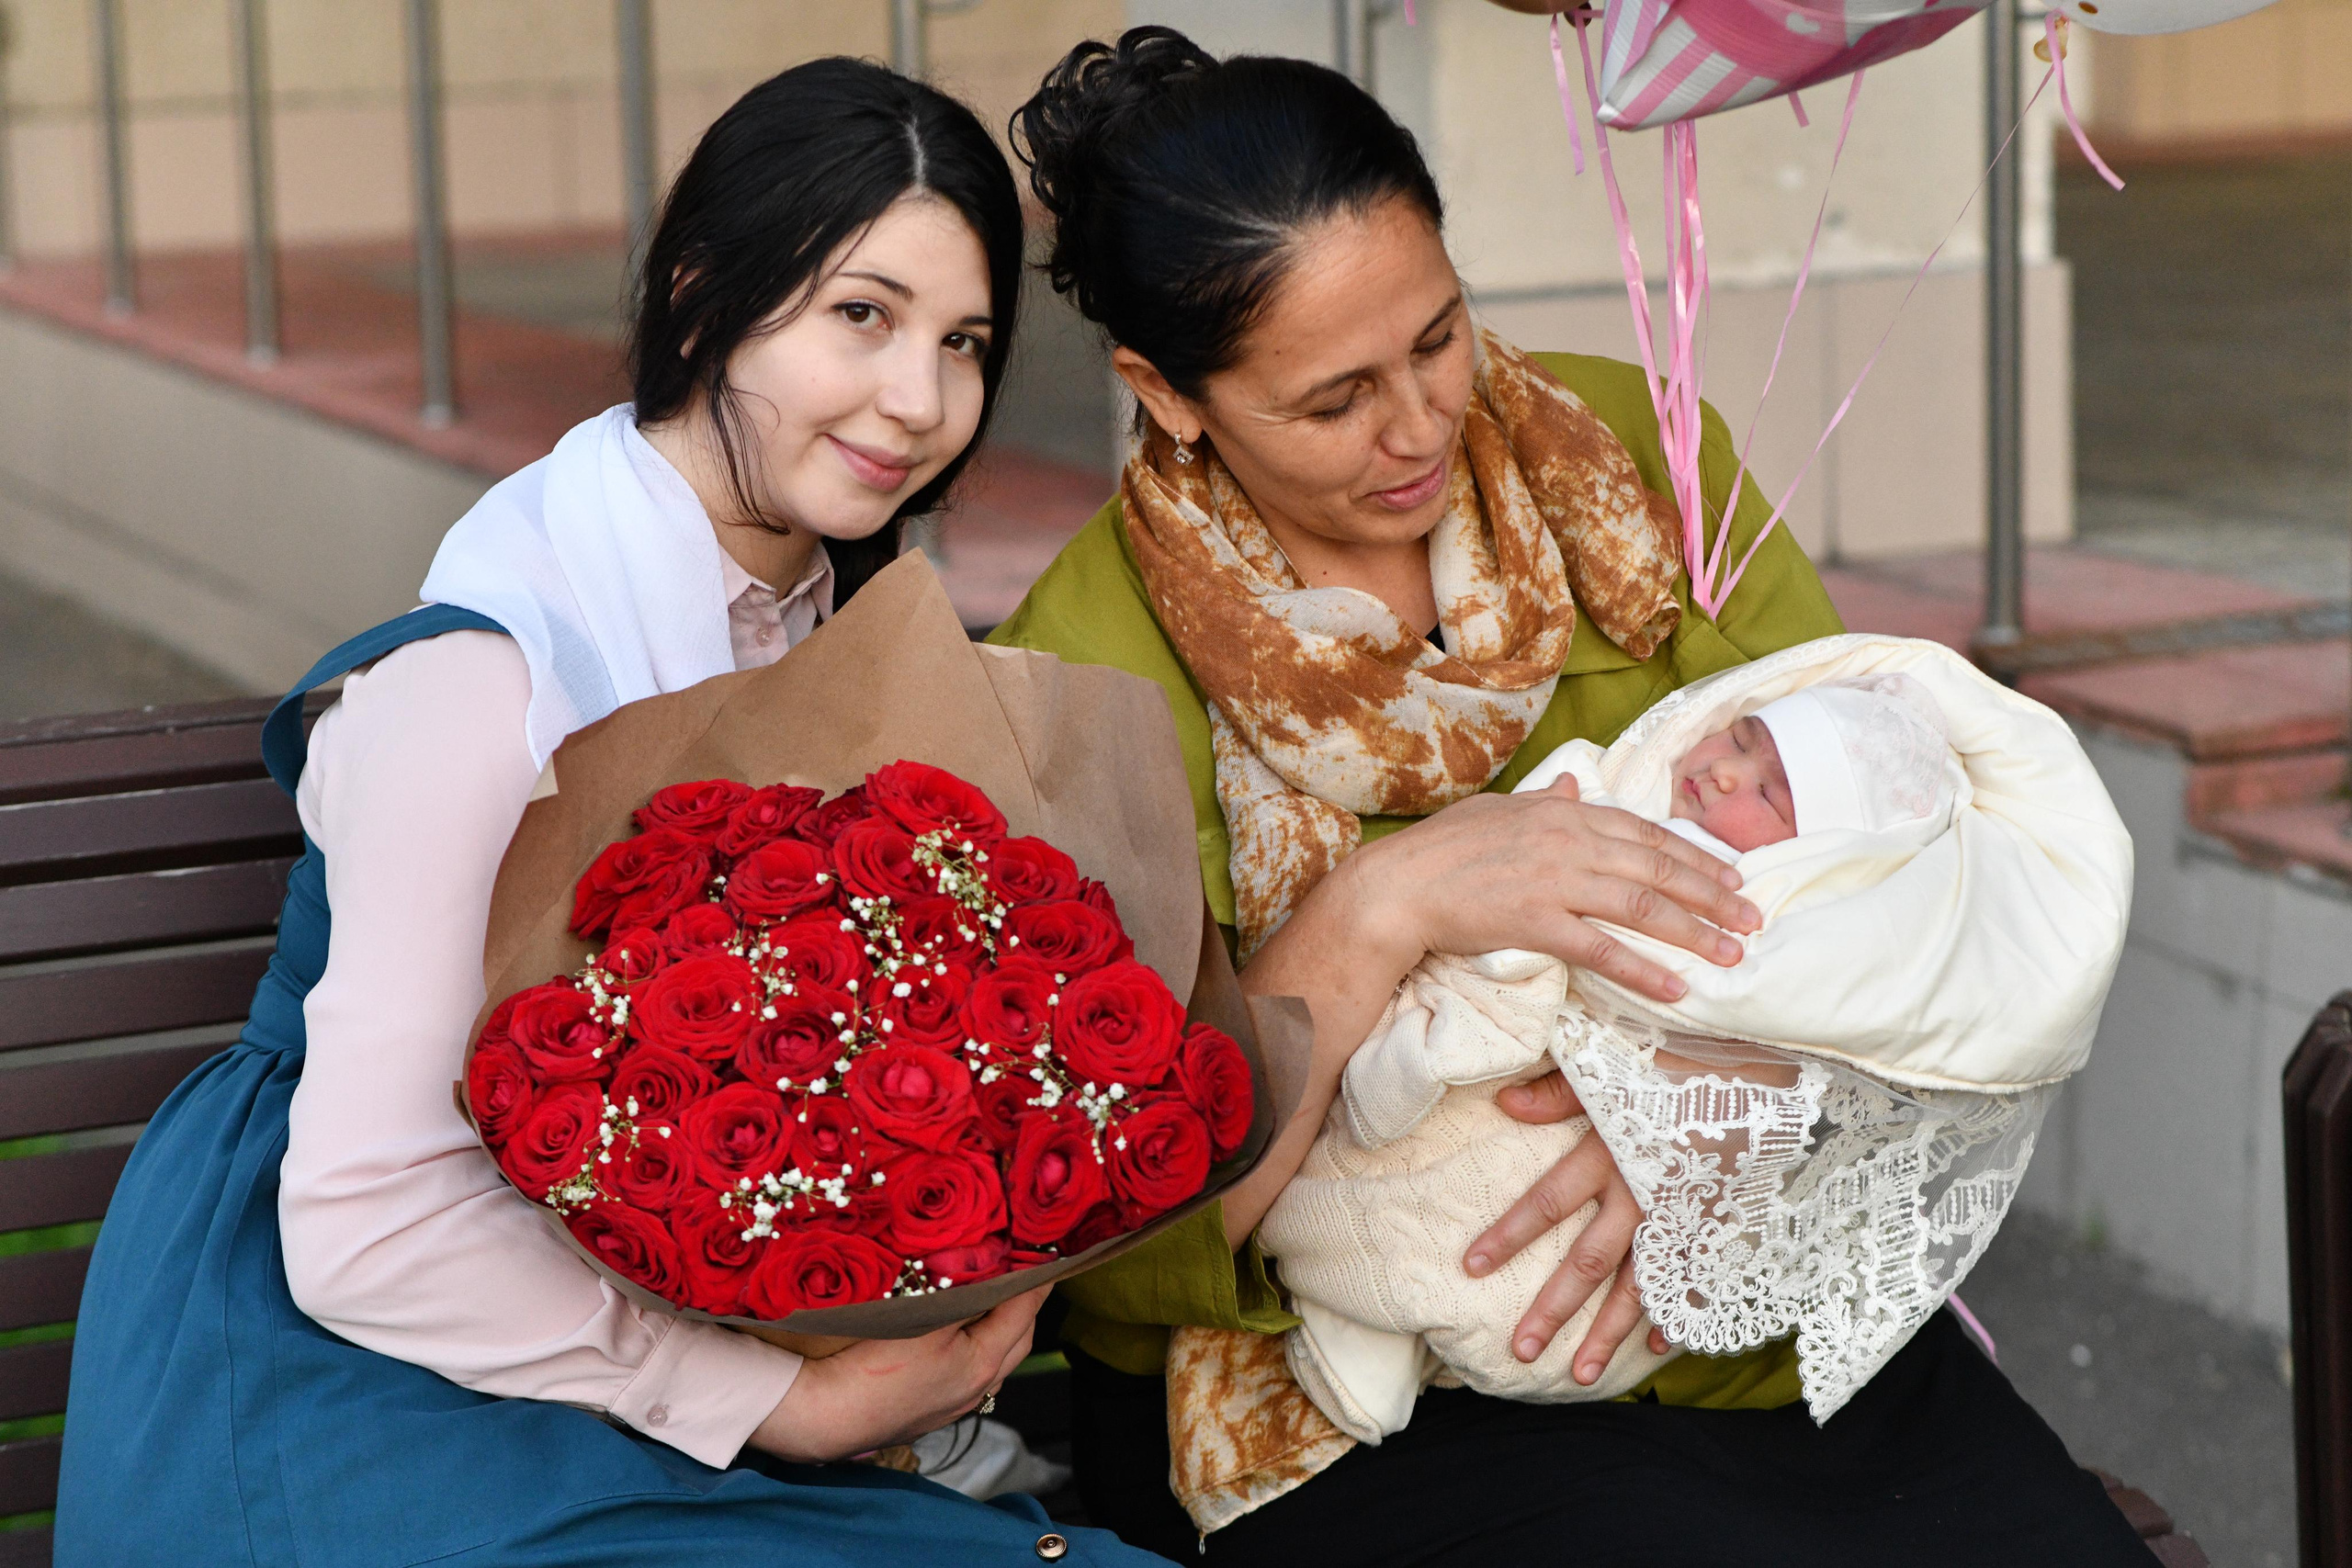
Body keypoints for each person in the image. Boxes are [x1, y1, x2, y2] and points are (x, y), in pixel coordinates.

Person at [988, 27, 2155, 1565]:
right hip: (1337, 1398)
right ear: (1169, 392)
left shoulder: (1633, 459)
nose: (1418, 427)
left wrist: (1702, 1122)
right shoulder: (1080, 668)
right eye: (1333, 401)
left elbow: (1923, 870)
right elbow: (1110, 1253)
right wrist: (1382, 905)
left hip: (1738, 1296)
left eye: (1438, 335)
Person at [55, 59, 1155, 1567]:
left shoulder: (838, 650)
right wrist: (770, 1398)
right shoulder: (484, 677)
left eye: (962, 342)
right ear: (704, 290)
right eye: (862, 315)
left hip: (622, 1364)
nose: (921, 399)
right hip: (356, 1384)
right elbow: (367, 1227)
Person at [1262, 646, 2129, 1444]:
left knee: (1524, 1266)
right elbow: (1550, 822)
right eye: (1742, 739)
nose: (1721, 773)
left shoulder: (1790, 929)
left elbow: (1808, 1031)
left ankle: (1397, 1321)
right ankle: (1357, 1289)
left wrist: (1682, 1106)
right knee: (1439, 1152)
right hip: (1505, 1050)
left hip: (1662, 1222)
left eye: (1771, 794)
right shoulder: (1626, 795)